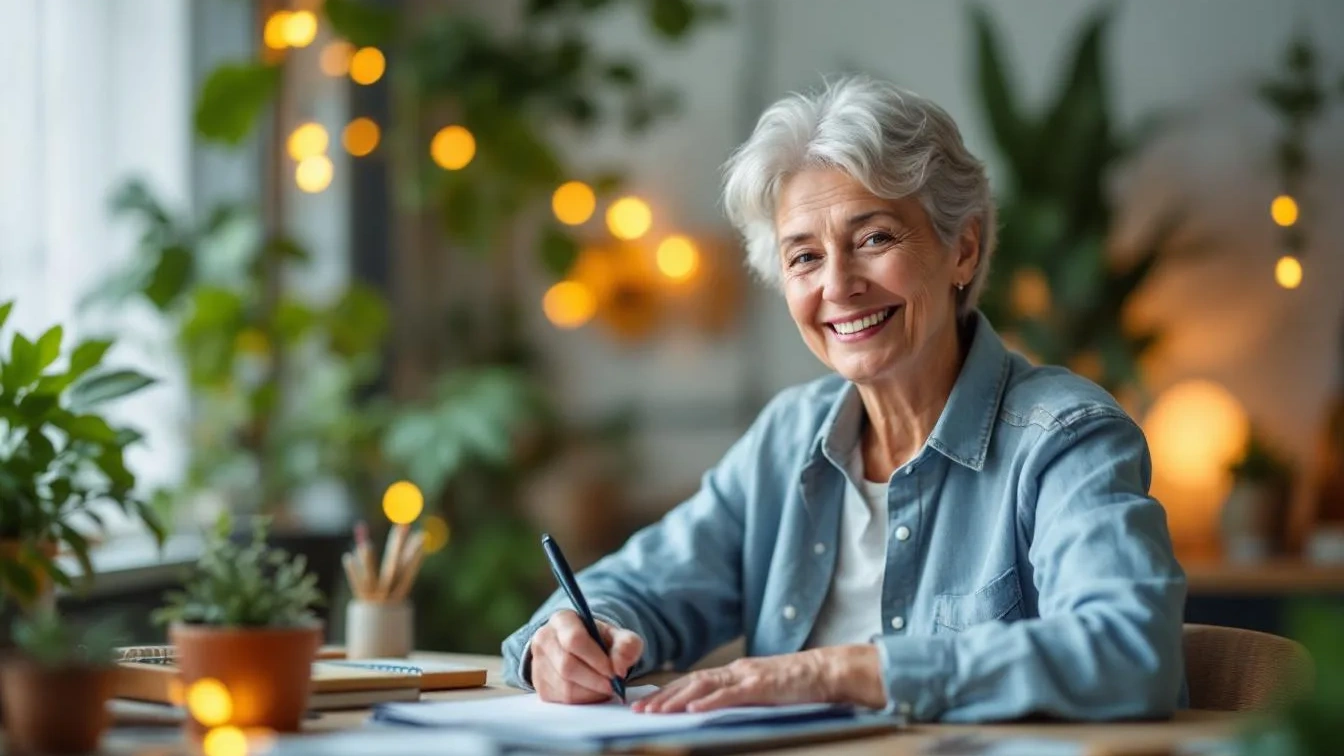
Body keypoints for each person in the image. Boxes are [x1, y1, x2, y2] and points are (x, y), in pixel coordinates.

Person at [501, 75, 1186, 723]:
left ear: (964, 250)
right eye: (804, 256)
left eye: (874, 238)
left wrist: (838, 672)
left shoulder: (1064, 437)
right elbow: (634, 589)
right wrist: (566, 643)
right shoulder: (787, 438)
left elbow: (1132, 652)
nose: (838, 285)